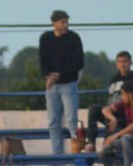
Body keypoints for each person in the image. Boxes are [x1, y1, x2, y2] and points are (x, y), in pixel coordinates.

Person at [84, 51, 133, 153]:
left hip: (131, 115)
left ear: (130, 63)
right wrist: (112, 117)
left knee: (113, 130)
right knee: (94, 109)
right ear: (116, 64)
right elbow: (110, 101)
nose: (122, 64)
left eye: (125, 61)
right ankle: (91, 144)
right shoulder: (114, 80)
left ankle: (108, 148)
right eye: (119, 62)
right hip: (114, 115)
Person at [39, 9, 85, 154]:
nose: (66, 25)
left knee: (72, 122)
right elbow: (42, 60)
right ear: (54, 23)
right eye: (62, 22)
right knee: (53, 123)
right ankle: (57, 157)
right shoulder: (45, 38)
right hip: (52, 85)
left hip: (68, 84)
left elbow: (78, 63)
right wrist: (47, 76)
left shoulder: (74, 38)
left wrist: (60, 74)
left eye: (66, 22)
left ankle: (75, 156)